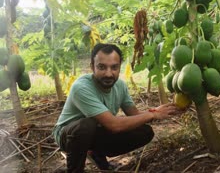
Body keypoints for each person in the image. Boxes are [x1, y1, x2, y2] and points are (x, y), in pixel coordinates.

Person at [52, 43, 181, 173]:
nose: (109, 74)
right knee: (86, 125)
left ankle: (95, 153)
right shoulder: (81, 87)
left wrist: (157, 111)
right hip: (68, 135)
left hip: (97, 131)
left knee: (144, 131)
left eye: (114, 67)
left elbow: (134, 114)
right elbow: (114, 125)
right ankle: (75, 170)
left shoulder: (120, 86)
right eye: (102, 67)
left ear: (120, 67)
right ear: (92, 67)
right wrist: (153, 115)